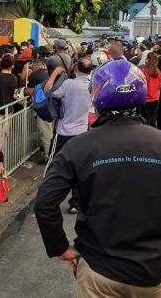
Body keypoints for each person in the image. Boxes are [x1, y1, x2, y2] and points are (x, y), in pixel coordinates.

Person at [34, 60, 161, 298]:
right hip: (151, 271)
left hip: (98, 270)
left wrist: (60, 248)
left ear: (97, 97)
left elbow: (44, 203)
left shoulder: (79, 146)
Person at [43, 57, 93, 214]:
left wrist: (55, 73)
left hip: (64, 131)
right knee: (80, 167)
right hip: (83, 133)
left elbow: (47, 91)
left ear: (76, 69)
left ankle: (47, 197)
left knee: (53, 164)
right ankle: (75, 203)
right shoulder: (93, 87)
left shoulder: (68, 84)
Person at [23, 60, 53, 164]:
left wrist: (24, 90)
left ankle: (49, 158)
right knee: (49, 131)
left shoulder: (34, 75)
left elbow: (32, 91)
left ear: (34, 67)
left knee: (45, 133)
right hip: (50, 107)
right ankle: (47, 154)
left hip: (43, 108)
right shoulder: (46, 74)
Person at [141, 52, 161, 127]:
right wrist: (158, 99)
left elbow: (141, 88)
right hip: (155, 100)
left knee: (146, 122)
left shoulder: (143, 72)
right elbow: (159, 88)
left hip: (145, 101)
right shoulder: (159, 72)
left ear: (147, 59)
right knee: (153, 121)